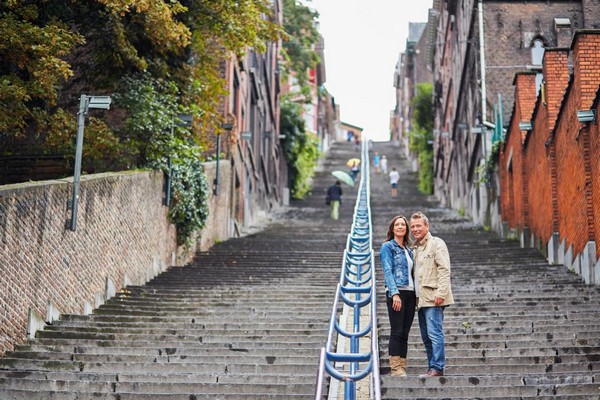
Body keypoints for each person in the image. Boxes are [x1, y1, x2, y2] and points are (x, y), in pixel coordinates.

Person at [410, 211, 454, 377]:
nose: (415, 229)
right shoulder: (416, 248)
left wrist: (441, 292)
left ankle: (437, 367)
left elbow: (444, 269)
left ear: (426, 226)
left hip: (434, 298)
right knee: (426, 336)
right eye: (413, 226)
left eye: (418, 225)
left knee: (434, 334)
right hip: (421, 300)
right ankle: (432, 367)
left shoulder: (436, 243)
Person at [380, 215, 416, 377]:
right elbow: (387, 271)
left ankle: (402, 365)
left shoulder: (409, 250)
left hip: (410, 293)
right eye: (397, 224)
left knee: (405, 333)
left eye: (403, 224)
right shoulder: (387, 247)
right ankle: (395, 368)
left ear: (406, 229)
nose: (400, 227)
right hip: (397, 293)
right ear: (392, 229)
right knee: (397, 331)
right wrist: (394, 293)